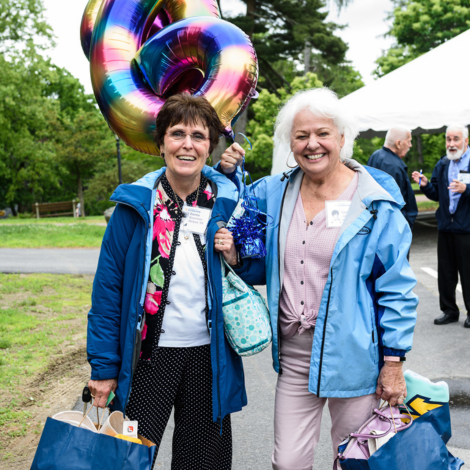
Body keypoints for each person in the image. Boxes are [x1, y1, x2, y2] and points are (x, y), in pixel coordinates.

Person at [217, 88, 418, 469]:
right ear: (290, 143)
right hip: (295, 355)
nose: (312, 144)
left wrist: (393, 362)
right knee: (288, 462)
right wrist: (236, 253)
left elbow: (396, 286)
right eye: (301, 136)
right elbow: (261, 259)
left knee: (354, 461)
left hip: (356, 357)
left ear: (342, 138)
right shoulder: (273, 193)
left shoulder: (374, 200)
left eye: (323, 133)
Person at [86, 93, 250, 469]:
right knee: (126, 460)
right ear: (161, 144)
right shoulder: (134, 207)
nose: (187, 144)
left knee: (202, 463)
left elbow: (255, 270)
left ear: (210, 147)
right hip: (147, 358)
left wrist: (233, 254)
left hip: (208, 356)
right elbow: (108, 292)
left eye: (198, 136)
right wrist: (103, 368)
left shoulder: (226, 204)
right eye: (177, 134)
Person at [412, 125, 470, 329]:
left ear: (466, 141)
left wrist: (467, 189)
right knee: (446, 273)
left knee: (468, 272)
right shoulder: (443, 164)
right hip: (446, 227)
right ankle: (449, 311)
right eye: (448, 139)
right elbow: (436, 194)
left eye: (456, 139)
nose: (451, 144)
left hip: (467, 229)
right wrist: (426, 185)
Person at [368, 126, 418, 229]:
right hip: (392, 227)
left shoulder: (376, 155)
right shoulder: (392, 166)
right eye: (408, 141)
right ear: (398, 144)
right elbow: (393, 204)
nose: (410, 145)